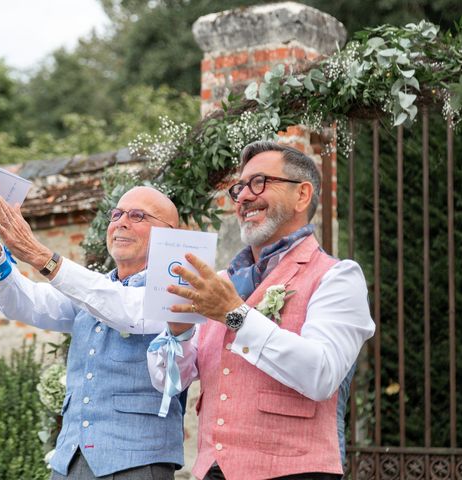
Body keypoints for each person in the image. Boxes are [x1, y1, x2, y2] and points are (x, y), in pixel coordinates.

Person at [147, 141, 376, 480]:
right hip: (212, 470)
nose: (242, 197)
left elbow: (322, 375)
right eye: (239, 188)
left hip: (296, 471)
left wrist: (234, 314)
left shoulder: (337, 276)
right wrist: (177, 333)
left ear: (302, 195)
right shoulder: (221, 281)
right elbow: (168, 382)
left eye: (259, 182)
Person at [0, 186, 185, 480]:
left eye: (137, 215)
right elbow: (24, 303)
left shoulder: (178, 288)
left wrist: (41, 255)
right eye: (116, 214)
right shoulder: (90, 290)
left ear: (168, 234)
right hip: (70, 460)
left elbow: (128, 311)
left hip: (138, 463)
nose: (121, 222)